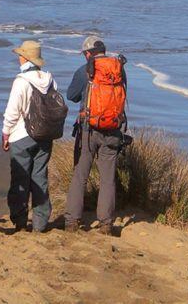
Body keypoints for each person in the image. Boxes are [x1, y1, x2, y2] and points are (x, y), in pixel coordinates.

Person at [64, 36, 127, 236]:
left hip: (88, 130)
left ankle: (72, 221)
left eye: (84, 54)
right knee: (108, 179)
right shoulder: (119, 68)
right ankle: (106, 224)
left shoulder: (85, 71)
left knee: (80, 175)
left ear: (89, 53)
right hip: (114, 130)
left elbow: (71, 96)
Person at [2, 40, 57, 233]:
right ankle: (40, 223)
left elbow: (12, 112)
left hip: (21, 136)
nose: (18, 57)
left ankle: (19, 221)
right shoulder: (50, 79)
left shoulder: (21, 81)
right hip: (45, 135)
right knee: (39, 177)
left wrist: (5, 133)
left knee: (20, 179)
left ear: (24, 58)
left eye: (20, 55)